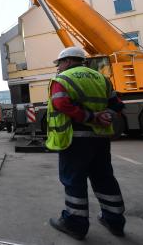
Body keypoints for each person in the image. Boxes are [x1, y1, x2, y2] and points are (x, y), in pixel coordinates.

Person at [47, 47, 126, 240]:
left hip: (74, 139)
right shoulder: (101, 79)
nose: (59, 68)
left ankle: (75, 224)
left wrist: (90, 117)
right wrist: (105, 116)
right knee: (104, 178)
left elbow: (61, 104)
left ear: (66, 62)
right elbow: (117, 105)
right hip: (100, 139)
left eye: (59, 64)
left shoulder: (63, 79)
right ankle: (114, 221)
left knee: (74, 181)